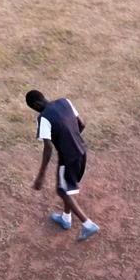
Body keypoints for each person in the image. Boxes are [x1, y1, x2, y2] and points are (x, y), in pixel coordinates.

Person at [27, 90, 99, 241]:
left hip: (68, 159)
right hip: (81, 151)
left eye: (33, 108)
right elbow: (81, 124)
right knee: (68, 188)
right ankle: (66, 219)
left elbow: (48, 148)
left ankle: (88, 224)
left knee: (62, 191)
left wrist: (41, 175)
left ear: (35, 105)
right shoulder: (65, 102)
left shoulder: (43, 119)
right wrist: (72, 138)